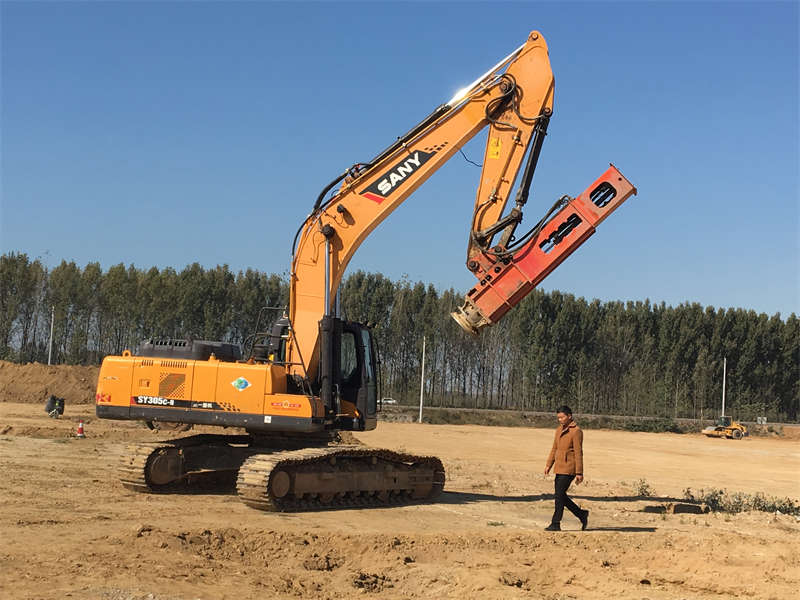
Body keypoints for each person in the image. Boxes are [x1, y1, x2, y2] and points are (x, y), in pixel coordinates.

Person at [543, 405, 589, 531]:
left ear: (569, 416)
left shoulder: (576, 431)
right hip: (559, 466)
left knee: (559, 495)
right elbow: (554, 448)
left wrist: (579, 472)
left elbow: (579, 452)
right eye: (558, 418)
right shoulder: (558, 430)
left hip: (570, 468)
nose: (560, 420)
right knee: (560, 495)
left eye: (562, 417)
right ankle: (581, 514)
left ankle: (555, 523)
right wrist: (548, 464)